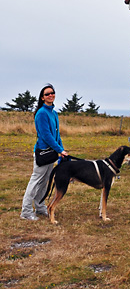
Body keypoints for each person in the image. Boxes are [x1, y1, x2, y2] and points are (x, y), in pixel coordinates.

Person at [20, 84, 69, 221]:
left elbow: (56, 135)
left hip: (51, 153)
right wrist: (59, 149)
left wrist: (62, 150)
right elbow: (46, 136)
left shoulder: (53, 113)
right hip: (43, 153)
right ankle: (26, 211)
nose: (50, 95)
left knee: (45, 181)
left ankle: (40, 207)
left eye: (52, 93)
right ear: (42, 97)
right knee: (36, 181)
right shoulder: (41, 113)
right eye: (47, 94)